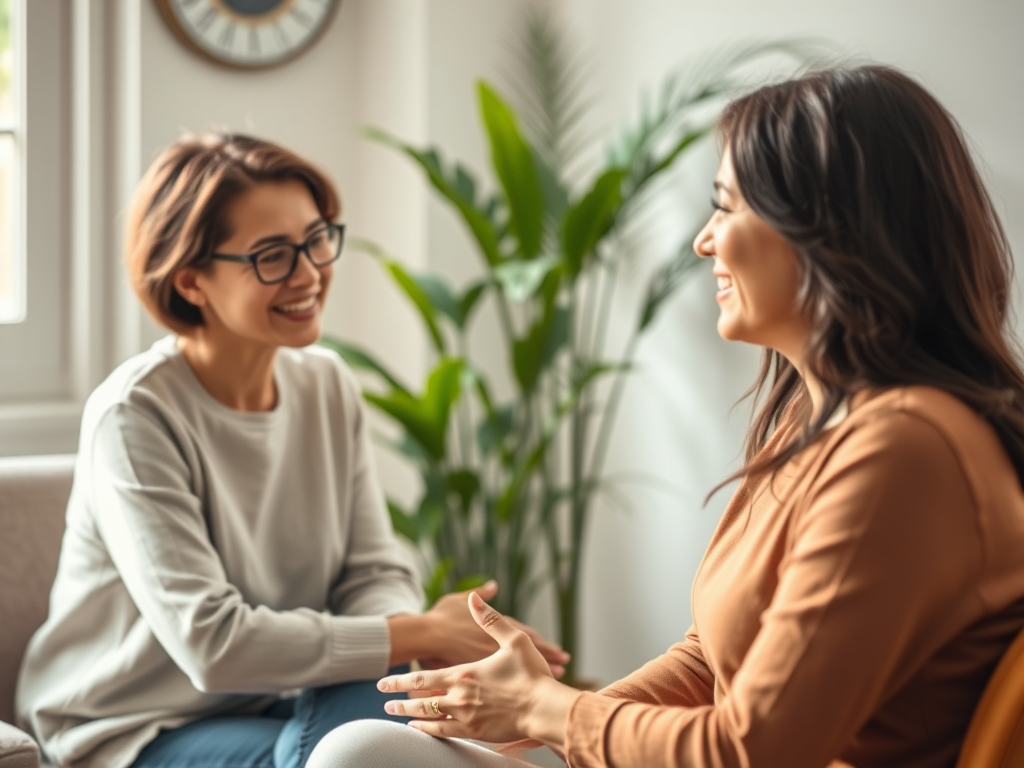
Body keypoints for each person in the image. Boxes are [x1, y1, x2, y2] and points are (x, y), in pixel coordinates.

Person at [307, 64, 1024, 768]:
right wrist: (531, 723)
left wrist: (543, 708)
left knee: (357, 756)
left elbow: (756, 749)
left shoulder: (907, 448)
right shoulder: (815, 423)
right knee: (367, 747)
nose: (703, 241)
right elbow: (709, 658)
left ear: (828, 231)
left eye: (727, 206)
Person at [14, 133, 567, 768]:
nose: (309, 274)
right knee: (379, 738)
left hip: (279, 697)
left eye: (316, 240)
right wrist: (423, 632)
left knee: (383, 709)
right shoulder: (133, 415)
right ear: (191, 281)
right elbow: (214, 646)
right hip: (132, 727)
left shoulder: (326, 384)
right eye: (272, 256)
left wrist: (399, 646)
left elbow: (373, 570)